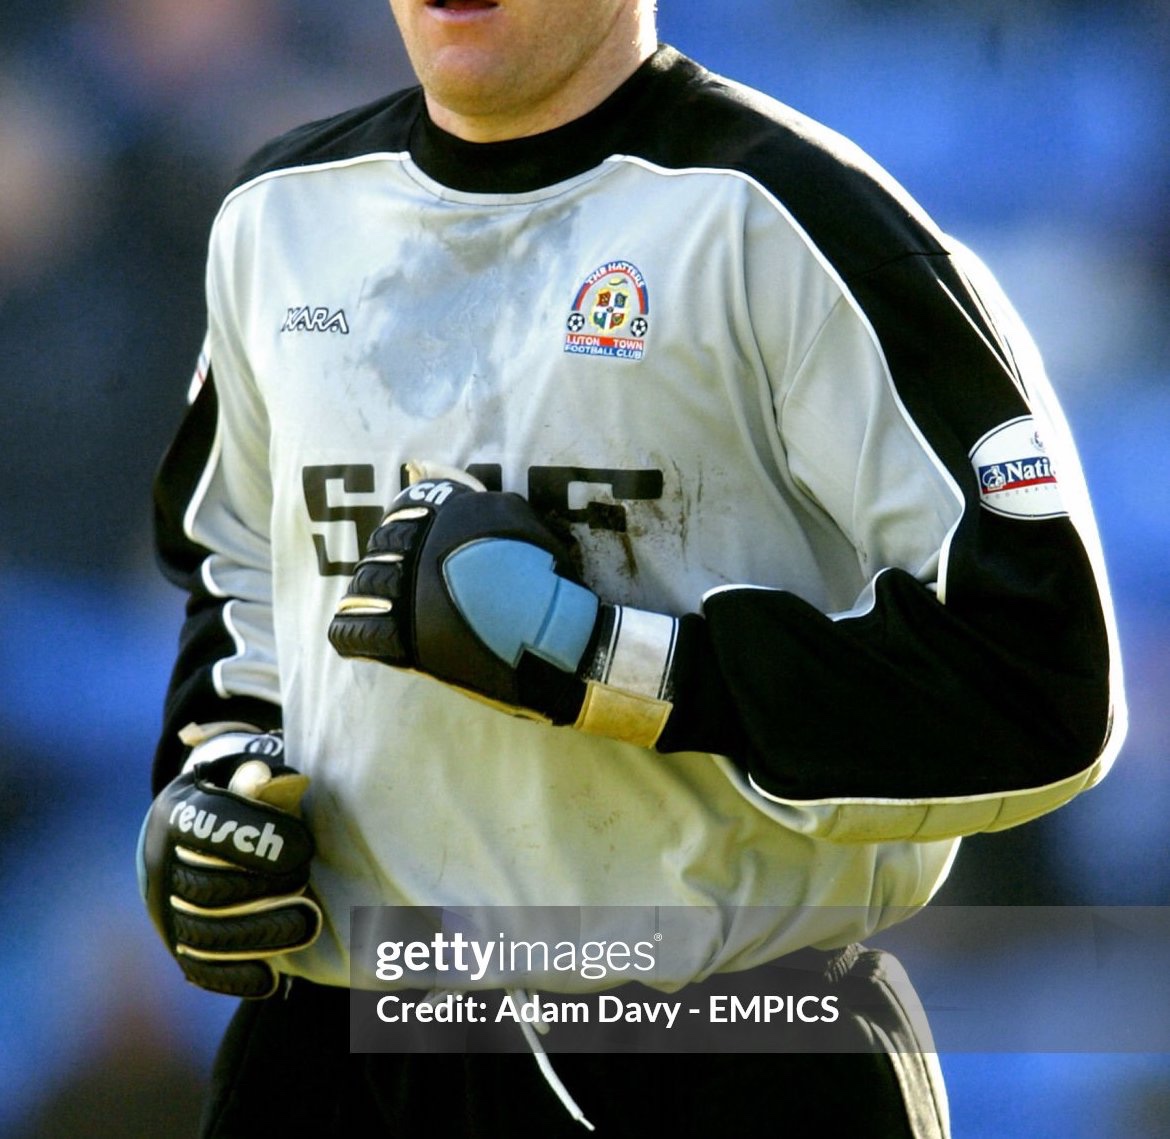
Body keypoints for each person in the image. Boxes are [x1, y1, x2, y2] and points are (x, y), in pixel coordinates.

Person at [139, 1, 1126, 1135]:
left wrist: (615, 663)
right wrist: (216, 788)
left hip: (723, 1043)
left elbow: (1043, 686)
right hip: (337, 1048)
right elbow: (236, 581)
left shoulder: (794, 221)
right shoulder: (276, 219)